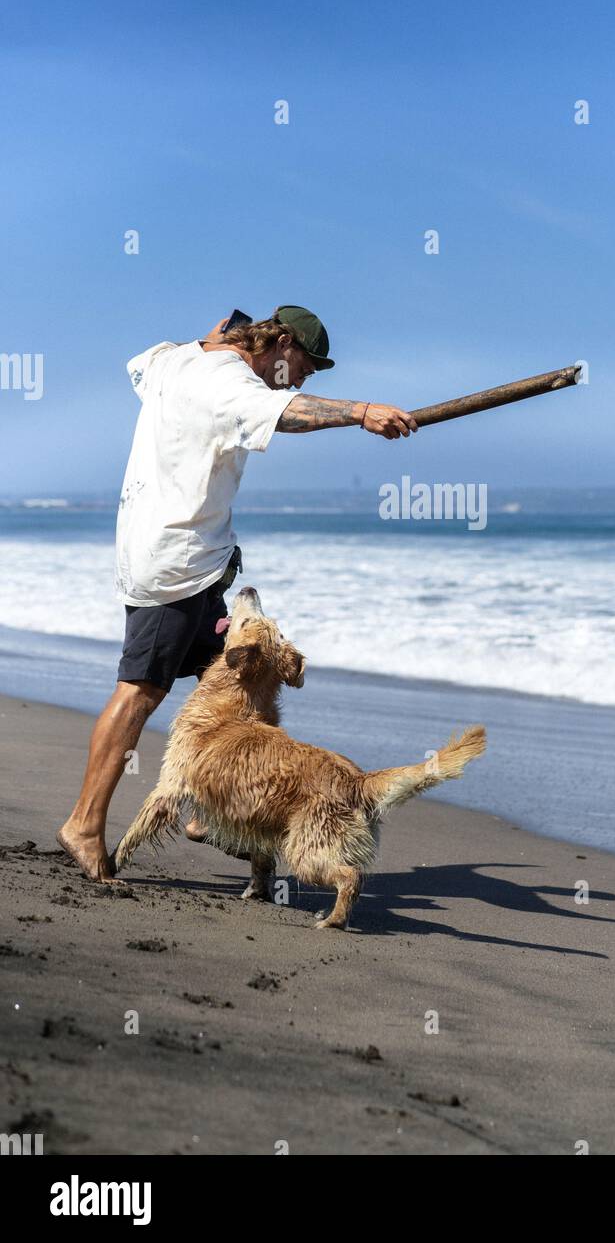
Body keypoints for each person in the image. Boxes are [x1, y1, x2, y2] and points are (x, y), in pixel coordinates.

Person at [58, 305, 418, 881]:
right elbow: (292, 414)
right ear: (277, 343)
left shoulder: (174, 359)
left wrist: (222, 333)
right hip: (173, 560)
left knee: (228, 678)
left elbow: (157, 356)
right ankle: (84, 822)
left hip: (197, 559)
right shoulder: (229, 384)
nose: (302, 379)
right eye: (303, 364)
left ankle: (206, 806)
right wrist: (362, 412)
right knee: (140, 690)